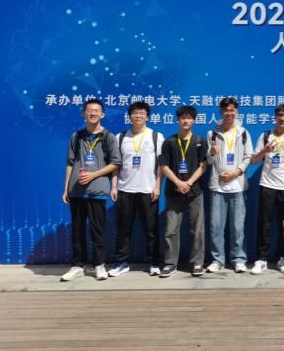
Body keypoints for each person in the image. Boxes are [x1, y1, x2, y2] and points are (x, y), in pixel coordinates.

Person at [60, 98, 120, 282]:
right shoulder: (76, 136)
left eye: (96, 111)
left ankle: (99, 265)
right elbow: (70, 163)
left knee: (97, 231)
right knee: (77, 231)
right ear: (83, 114)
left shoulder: (109, 137)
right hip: (76, 192)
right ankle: (78, 266)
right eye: (89, 110)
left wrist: (94, 175)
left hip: (97, 191)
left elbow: (116, 163)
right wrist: (66, 189)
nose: (93, 113)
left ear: (102, 114)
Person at [108, 101, 164, 277]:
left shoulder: (156, 136)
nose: (138, 116)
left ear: (147, 117)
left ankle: (154, 263)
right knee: (123, 230)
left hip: (148, 190)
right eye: (134, 113)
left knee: (151, 230)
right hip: (125, 190)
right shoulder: (120, 137)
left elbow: (161, 166)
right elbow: (116, 165)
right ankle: (122, 263)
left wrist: (157, 186)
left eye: (141, 113)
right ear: (129, 116)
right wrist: (114, 186)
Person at [249, 104, 284, 275]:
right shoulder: (266, 135)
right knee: (264, 224)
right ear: (275, 117)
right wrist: (264, 151)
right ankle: (262, 259)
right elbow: (254, 160)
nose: (283, 118)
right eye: (280, 115)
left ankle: (282, 258)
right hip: (267, 185)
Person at [205, 97, 253, 274]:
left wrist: (236, 172)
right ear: (221, 112)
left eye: (232, 110)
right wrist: (211, 152)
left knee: (237, 227)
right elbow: (208, 160)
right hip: (217, 186)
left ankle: (238, 259)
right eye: (226, 110)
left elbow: (248, 157)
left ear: (236, 112)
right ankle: (218, 260)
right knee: (216, 227)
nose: (229, 113)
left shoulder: (243, 133)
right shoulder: (212, 133)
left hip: (238, 186)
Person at [159, 105, 208, 277]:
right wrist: (179, 182)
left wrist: (189, 182)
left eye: (189, 118)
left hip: (195, 192)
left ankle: (197, 262)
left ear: (194, 120)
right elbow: (164, 166)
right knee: (171, 229)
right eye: (183, 118)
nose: (186, 121)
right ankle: (170, 263)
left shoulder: (200, 141)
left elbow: (203, 165)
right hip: (174, 192)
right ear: (178, 120)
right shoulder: (169, 142)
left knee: (197, 229)